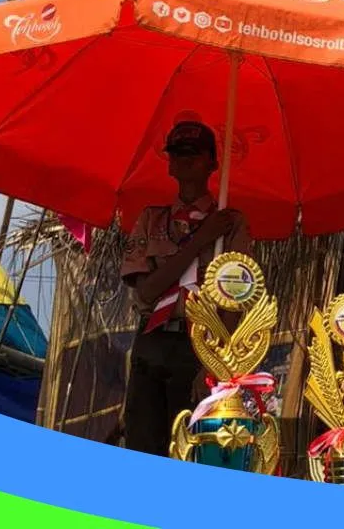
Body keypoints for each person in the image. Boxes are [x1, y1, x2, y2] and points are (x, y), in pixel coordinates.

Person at [120, 120, 252, 456]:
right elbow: (147, 293)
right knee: (143, 445)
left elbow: (236, 300)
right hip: (153, 340)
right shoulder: (151, 220)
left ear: (212, 163)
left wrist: (214, 363)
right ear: (169, 163)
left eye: (194, 153)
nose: (185, 159)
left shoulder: (231, 224)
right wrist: (200, 241)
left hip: (201, 346)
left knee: (192, 447)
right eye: (178, 153)